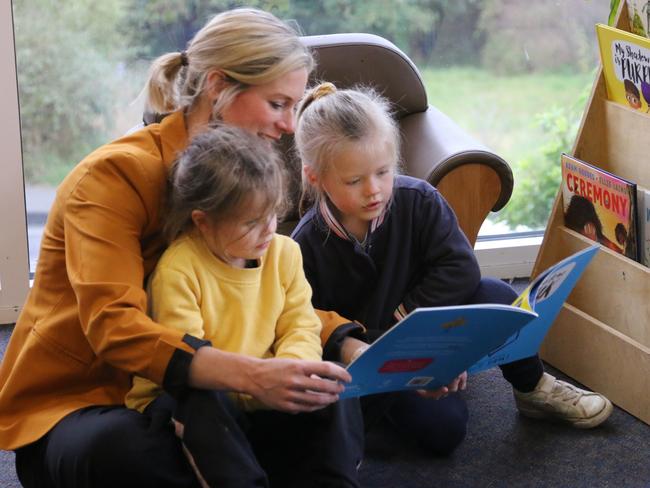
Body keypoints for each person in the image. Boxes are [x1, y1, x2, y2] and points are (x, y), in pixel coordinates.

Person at [0, 9, 362, 487]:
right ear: (217, 86)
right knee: (133, 448)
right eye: (278, 104)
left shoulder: (249, 179)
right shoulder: (112, 177)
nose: (290, 126)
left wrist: (353, 345)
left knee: (327, 391)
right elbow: (115, 326)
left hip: (206, 386)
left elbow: (266, 295)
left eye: (294, 107)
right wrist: (253, 376)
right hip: (86, 404)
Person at [291, 82, 614, 456]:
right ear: (316, 177)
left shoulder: (419, 201)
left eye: (383, 172)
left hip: (433, 327)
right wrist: (402, 354)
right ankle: (366, 434)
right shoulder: (305, 245)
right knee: (444, 432)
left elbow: (461, 269)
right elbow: (311, 324)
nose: (374, 190)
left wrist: (428, 339)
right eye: (354, 181)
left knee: (499, 296)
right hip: (372, 359)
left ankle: (533, 387)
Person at [124, 125, 362, 487]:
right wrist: (265, 384)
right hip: (193, 395)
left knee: (332, 382)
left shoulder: (284, 253)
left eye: (272, 214)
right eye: (251, 222)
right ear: (202, 222)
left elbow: (301, 325)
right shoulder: (179, 269)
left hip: (265, 389)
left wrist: (296, 373)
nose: (268, 230)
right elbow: (189, 364)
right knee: (203, 401)